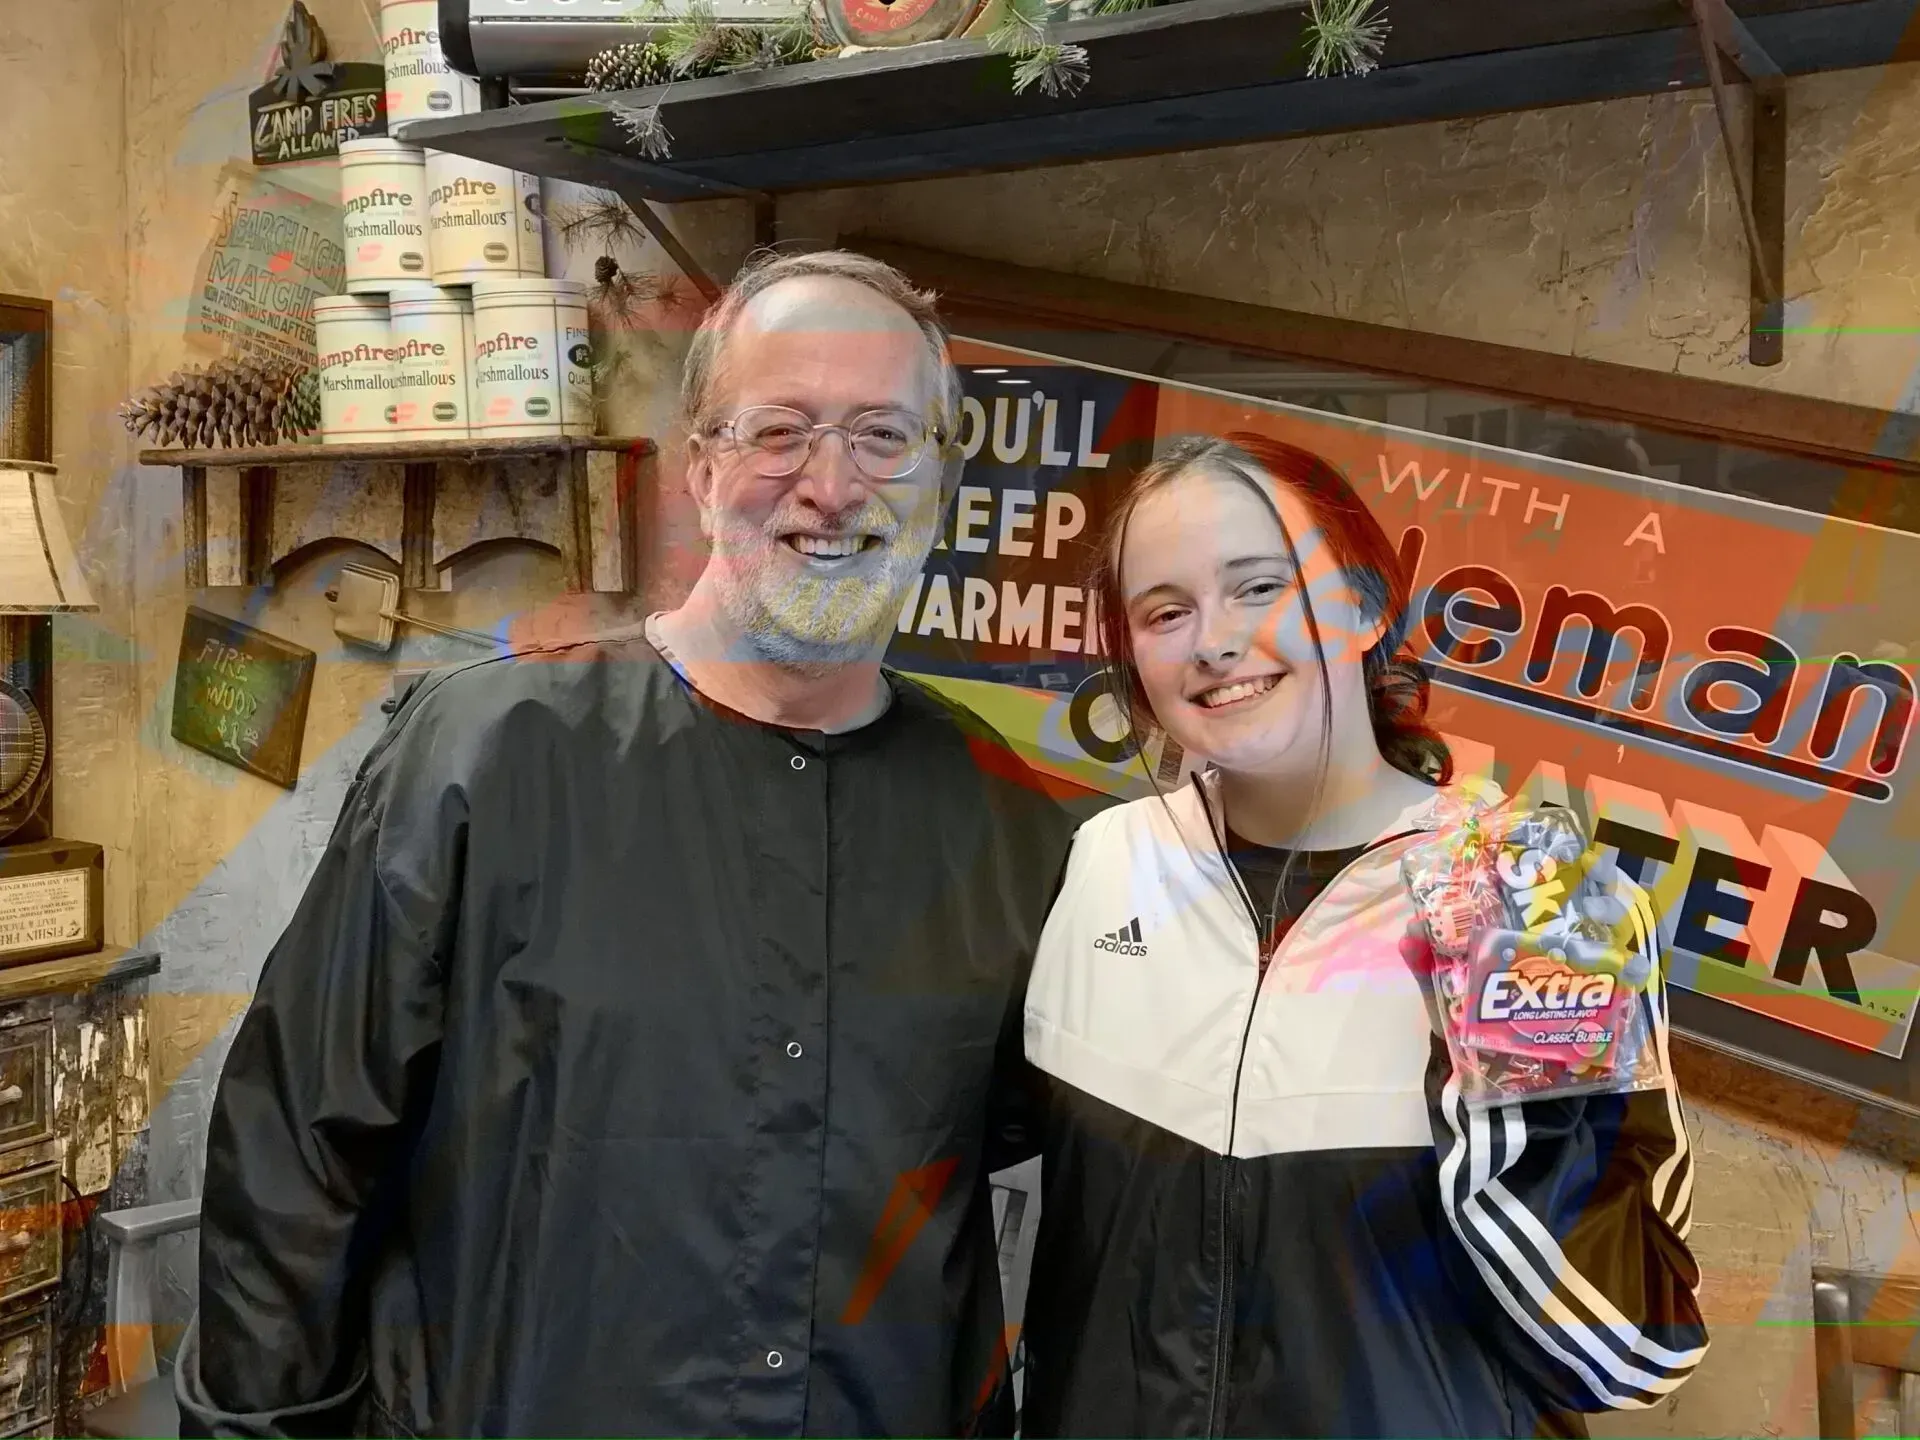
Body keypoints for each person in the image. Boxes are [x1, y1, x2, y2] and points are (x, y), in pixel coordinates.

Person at [175, 249, 1083, 1438]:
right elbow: (297, 1160)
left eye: (881, 436)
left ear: (940, 480)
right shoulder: (485, 758)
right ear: (702, 470)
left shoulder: (1013, 826)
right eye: (780, 430)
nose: (830, 482)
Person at [1015, 432, 1707, 1437]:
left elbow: (1624, 1357)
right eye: (1166, 611)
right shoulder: (1101, 861)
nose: (1214, 639)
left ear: (1366, 605)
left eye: (1261, 587)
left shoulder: (1547, 904)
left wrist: (1499, 1055)